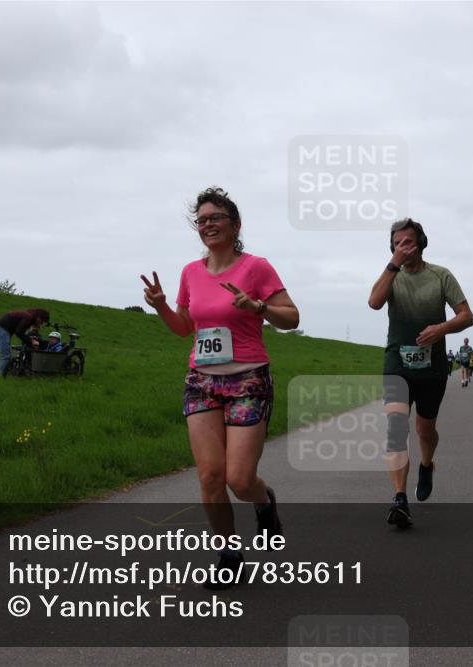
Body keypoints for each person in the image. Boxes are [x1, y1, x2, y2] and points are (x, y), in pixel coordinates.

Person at [141, 186, 300, 588]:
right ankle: (229, 554)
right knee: (210, 476)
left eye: (215, 218)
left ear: (235, 225)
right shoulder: (190, 273)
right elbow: (184, 329)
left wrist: (259, 307)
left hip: (248, 378)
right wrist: (160, 305)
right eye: (202, 220)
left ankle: (264, 503)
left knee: (240, 480)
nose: (207, 225)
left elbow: (292, 317)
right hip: (202, 381)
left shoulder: (256, 268)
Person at [368, 218, 473, 528]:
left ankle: (427, 465)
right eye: (398, 243)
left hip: (432, 367)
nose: (404, 247)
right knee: (396, 428)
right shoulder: (391, 275)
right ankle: (400, 499)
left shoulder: (441, 276)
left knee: (425, 430)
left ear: (421, 243)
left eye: (409, 241)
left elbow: (467, 316)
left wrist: (442, 328)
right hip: (397, 363)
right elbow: (374, 303)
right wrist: (392, 265)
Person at [0, 308, 49, 377]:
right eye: (42, 321)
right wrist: (31, 342)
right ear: (39, 317)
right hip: (2, 330)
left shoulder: (28, 316)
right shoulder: (28, 317)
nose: (41, 323)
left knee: (7, 355)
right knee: (6, 356)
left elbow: (20, 332)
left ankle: (8, 373)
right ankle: (1, 376)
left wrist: (29, 341)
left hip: (0, 329)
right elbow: (19, 332)